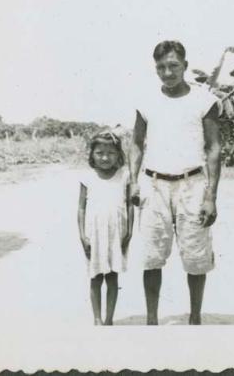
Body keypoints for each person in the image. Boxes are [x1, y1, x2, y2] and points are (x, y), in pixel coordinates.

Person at [129, 40, 222, 325]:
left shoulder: (204, 101)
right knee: (151, 256)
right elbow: (135, 145)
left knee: (195, 256)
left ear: (185, 65)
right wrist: (133, 182)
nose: (167, 73)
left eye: (173, 66)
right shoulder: (146, 102)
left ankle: (195, 319)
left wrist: (210, 196)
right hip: (154, 185)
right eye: (161, 67)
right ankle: (152, 320)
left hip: (192, 185)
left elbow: (214, 148)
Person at [77, 130, 134, 325]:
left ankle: (109, 319)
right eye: (99, 152)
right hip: (94, 235)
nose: (105, 157)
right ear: (92, 154)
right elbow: (81, 209)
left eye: (110, 153)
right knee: (95, 276)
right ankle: (97, 319)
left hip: (116, 234)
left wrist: (130, 231)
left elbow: (129, 205)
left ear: (118, 154)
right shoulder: (88, 177)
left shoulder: (124, 175)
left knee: (112, 277)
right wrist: (82, 236)